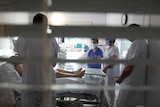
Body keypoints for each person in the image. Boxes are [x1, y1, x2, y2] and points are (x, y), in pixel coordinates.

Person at [14, 13, 59, 107]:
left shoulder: (21, 38)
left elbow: (20, 59)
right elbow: (54, 63)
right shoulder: (51, 39)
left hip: (29, 83)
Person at [115, 24, 148, 107]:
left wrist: (120, 78)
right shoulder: (142, 42)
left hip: (128, 85)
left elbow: (129, 67)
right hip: (133, 84)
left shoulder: (137, 42)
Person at [102, 39, 119, 107]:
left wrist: (105, 67)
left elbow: (112, 62)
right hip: (107, 73)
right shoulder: (108, 48)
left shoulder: (114, 48)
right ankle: (109, 104)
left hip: (111, 73)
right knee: (107, 90)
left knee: (110, 91)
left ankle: (111, 105)